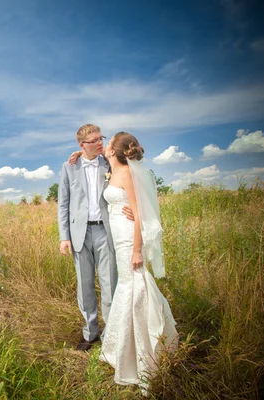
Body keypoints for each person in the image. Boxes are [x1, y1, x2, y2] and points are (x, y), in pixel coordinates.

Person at [94, 131, 178, 391]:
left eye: (108, 143)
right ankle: (122, 348)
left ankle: (147, 350)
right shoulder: (113, 170)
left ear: (114, 150)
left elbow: (139, 211)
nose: (105, 146)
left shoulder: (128, 174)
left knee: (136, 286)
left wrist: (137, 250)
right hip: (118, 239)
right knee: (127, 288)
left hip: (130, 240)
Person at [57, 124, 133, 351]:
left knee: (110, 283)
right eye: (95, 140)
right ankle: (90, 333)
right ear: (82, 145)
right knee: (85, 285)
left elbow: (129, 176)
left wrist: (130, 207)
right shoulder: (69, 167)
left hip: (106, 231)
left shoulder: (109, 162)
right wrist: (64, 237)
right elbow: (63, 204)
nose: (101, 143)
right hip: (78, 233)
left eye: (102, 139)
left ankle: (111, 333)